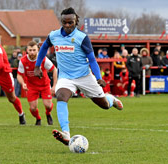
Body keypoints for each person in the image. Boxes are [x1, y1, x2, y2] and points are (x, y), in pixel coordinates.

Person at [34, 7, 123, 146]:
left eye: (71, 22)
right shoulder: (53, 35)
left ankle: (110, 99)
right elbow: (44, 47)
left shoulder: (82, 38)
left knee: (104, 105)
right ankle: (66, 133)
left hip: (84, 76)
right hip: (65, 77)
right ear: (61, 21)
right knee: (61, 96)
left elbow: (92, 59)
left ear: (76, 22)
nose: (68, 25)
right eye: (65, 22)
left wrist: (98, 77)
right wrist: (37, 66)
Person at [17, 41, 57, 125]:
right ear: (27, 50)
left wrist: (54, 86)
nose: (32, 52)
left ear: (38, 50)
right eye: (30, 50)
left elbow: (54, 70)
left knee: (48, 105)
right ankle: (38, 119)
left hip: (44, 85)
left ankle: (48, 114)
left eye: (34, 50)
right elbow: (19, 75)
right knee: (33, 108)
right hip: (31, 86)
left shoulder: (43, 59)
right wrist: (23, 83)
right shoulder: (23, 61)